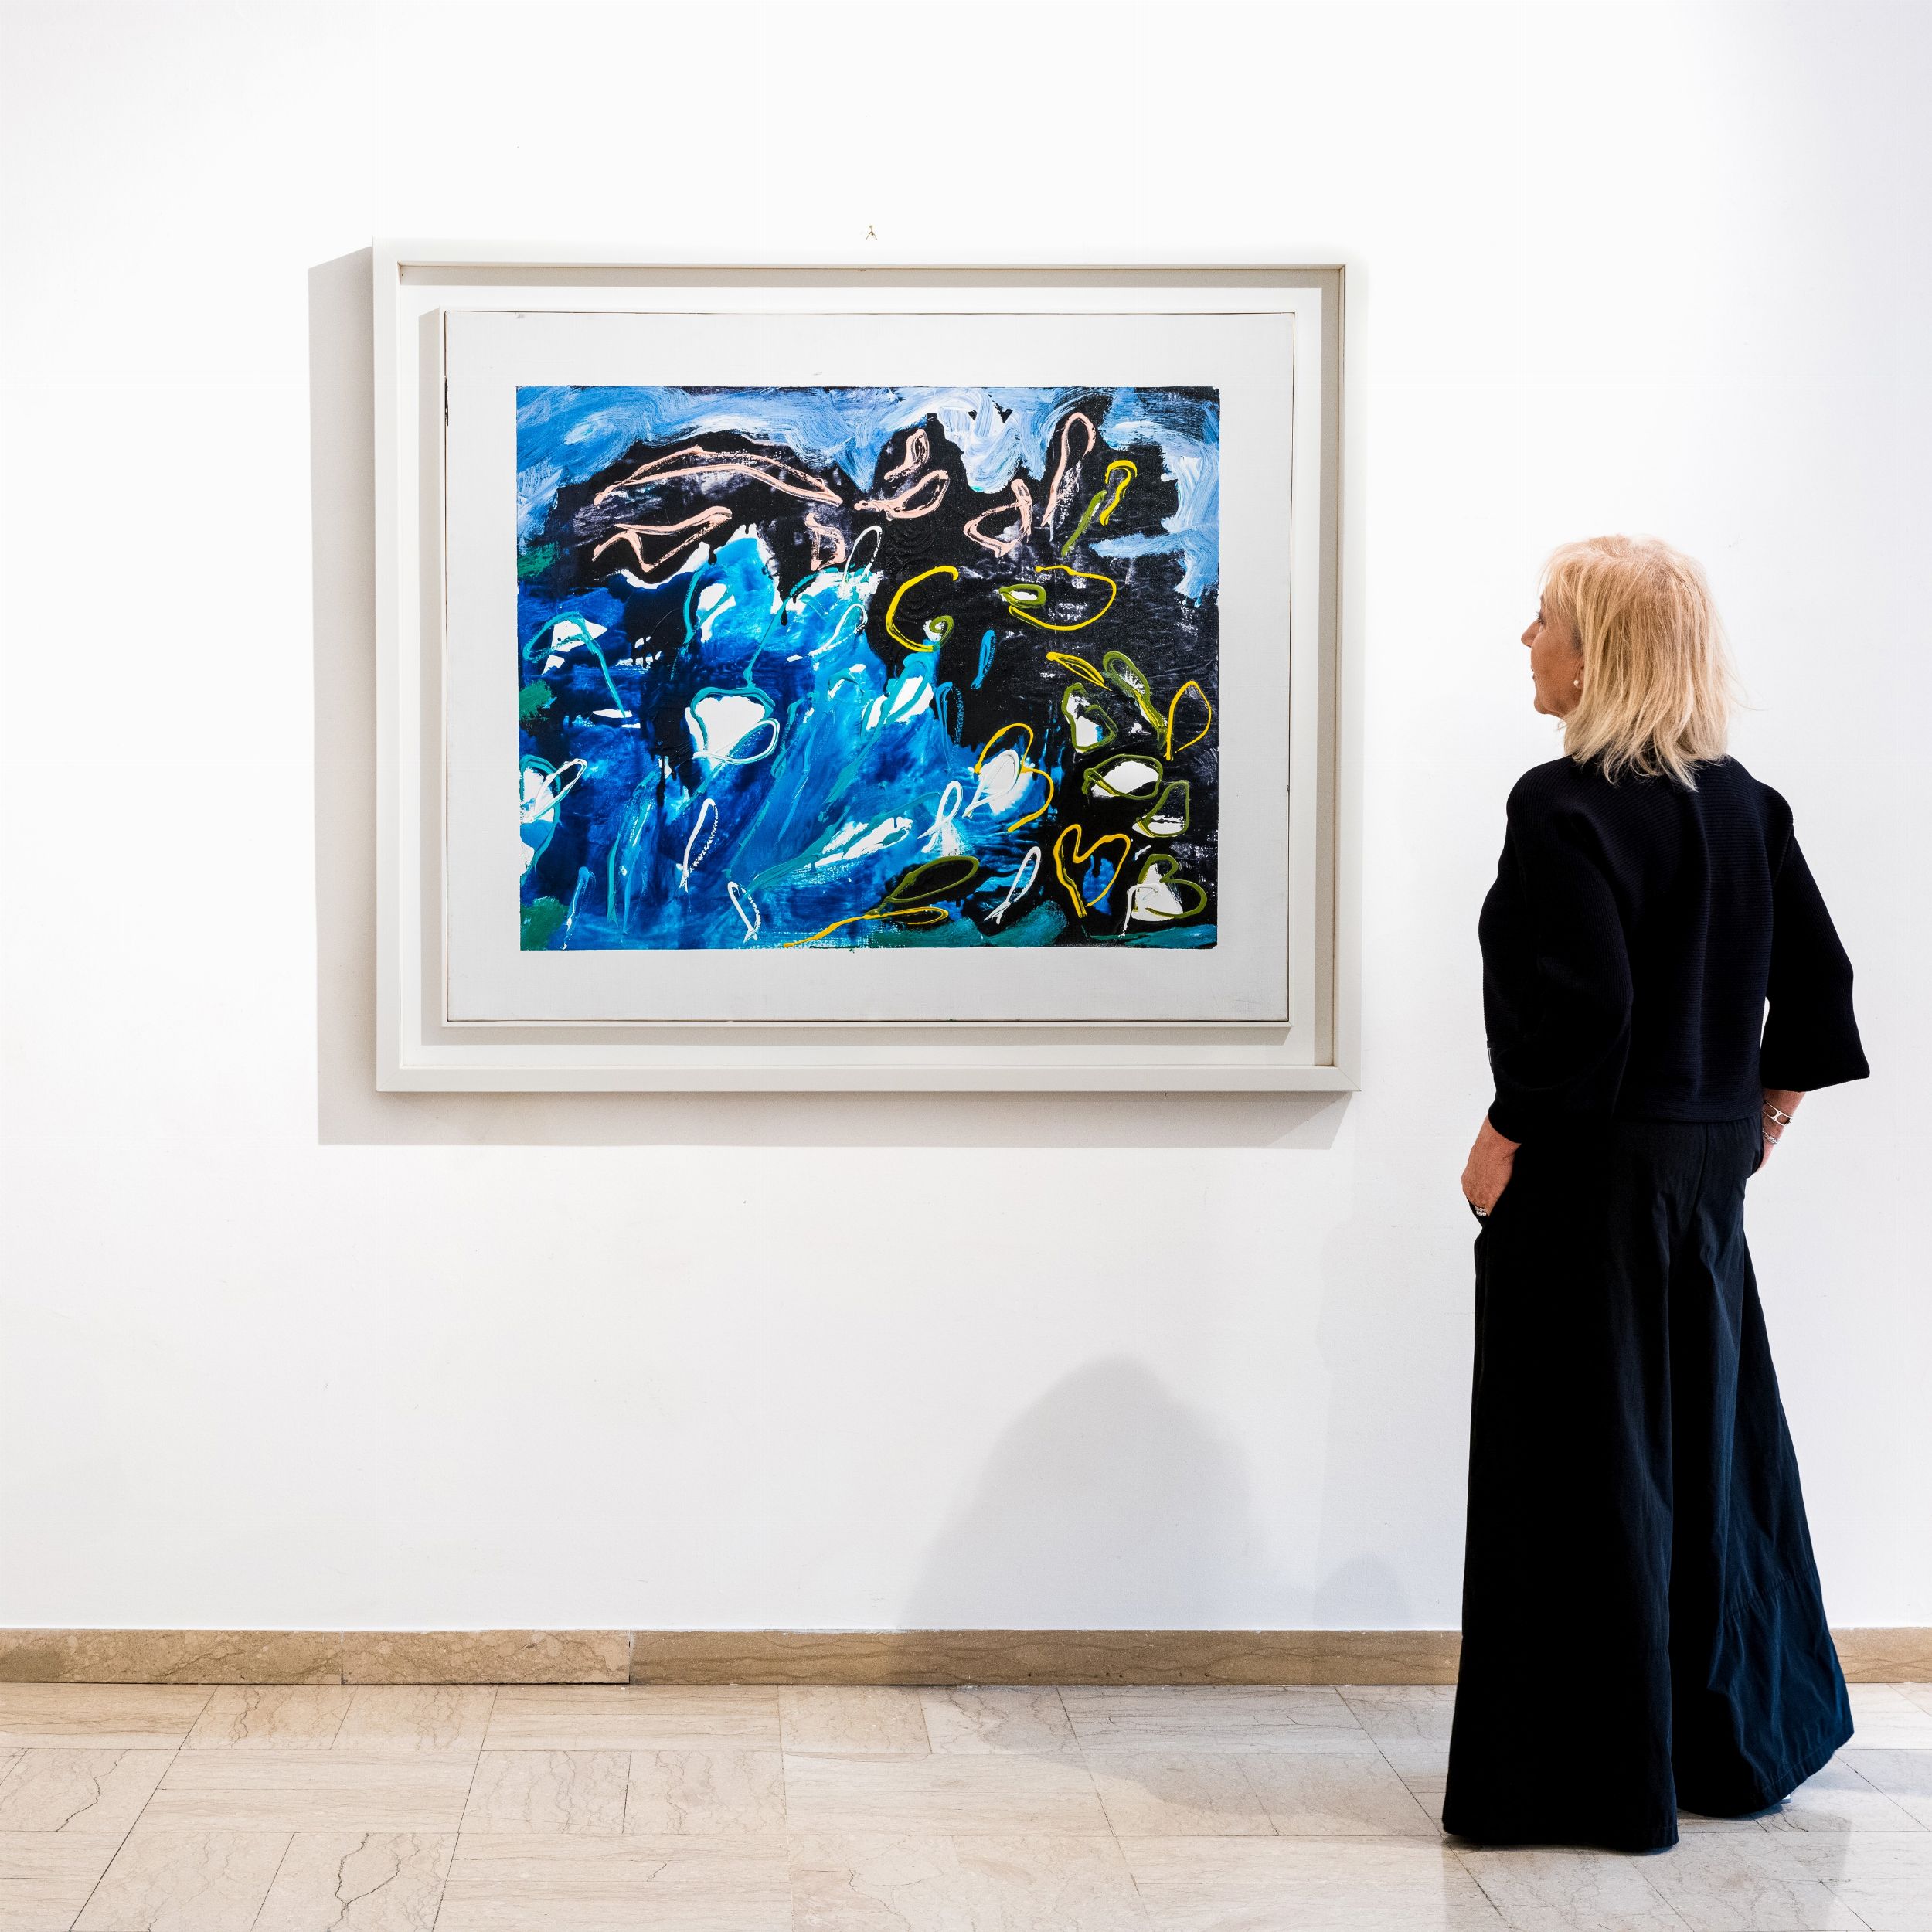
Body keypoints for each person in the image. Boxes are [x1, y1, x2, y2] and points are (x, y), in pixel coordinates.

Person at [1444, 535, 1869, 1854]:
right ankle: (1723, 1747)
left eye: (1546, 620)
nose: (1527, 640)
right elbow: (1818, 989)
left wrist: (1504, 1132)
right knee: (1706, 1446)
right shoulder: (1749, 806)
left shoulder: (1559, 806)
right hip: (1700, 1171)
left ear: (1598, 655)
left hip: (1590, 1174)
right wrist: (1763, 1111)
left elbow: (1586, 1015)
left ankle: (1583, 1779)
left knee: (1583, 1463)